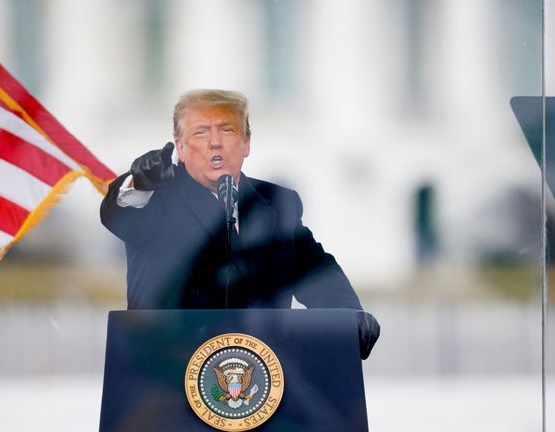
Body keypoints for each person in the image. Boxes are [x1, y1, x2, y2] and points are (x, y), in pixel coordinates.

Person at [100, 89, 379, 359]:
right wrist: (140, 184)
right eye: (200, 132)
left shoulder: (277, 203)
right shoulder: (157, 198)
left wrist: (347, 315)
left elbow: (314, 271)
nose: (215, 142)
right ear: (180, 148)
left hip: (261, 384)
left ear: (246, 143)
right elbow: (122, 215)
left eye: (227, 130)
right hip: (165, 380)